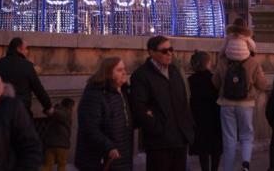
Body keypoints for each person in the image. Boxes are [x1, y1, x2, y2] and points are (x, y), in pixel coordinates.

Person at [130, 36, 194, 171]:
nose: (169, 53)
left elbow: (183, 100)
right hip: (159, 142)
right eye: (164, 51)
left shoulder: (174, 72)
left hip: (180, 139)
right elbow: (140, 108)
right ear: (152, 53)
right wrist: (157, 128)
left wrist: (187, 127)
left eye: (171, 49)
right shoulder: (141, 75)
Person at [213, 36, 268, 171]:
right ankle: (245, 164)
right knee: (246, 135)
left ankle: (228, 168)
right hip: (246, 104)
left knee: (229, 138)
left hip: (226, 103)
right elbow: (262, 84)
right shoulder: (253, 63)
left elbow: (215, 82)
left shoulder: (222, 62)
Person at [75, 57, 133, 171]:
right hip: (99, 159)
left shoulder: (123, 92)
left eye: (124, 69)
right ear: (109, 73)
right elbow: (89, 127)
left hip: (122, 157)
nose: (124, 73)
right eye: (119, 70)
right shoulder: (95, 94)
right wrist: (108, 147)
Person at [0, 37, 53, 116]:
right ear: (19, 49)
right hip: (21, 112)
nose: (27, 51)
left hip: (0, 112)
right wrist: (48, 106)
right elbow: (38, 88)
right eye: (26, 48)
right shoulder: (27, 66)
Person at [188, 51, 222, 171]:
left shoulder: (190, 80)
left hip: (198, 118)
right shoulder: (213, 79)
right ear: (208, 63)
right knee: (215, 149)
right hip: (214, 117)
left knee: (203, 150)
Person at [42, 97, 75, 171]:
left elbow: (50, 112)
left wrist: (50, 110)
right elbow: (60, 114)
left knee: (47, 165)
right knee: (62, 165)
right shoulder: (66, 113)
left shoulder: (57, 109)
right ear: (70, 106)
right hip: (62, 145)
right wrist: (52, 111)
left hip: (49, 144)